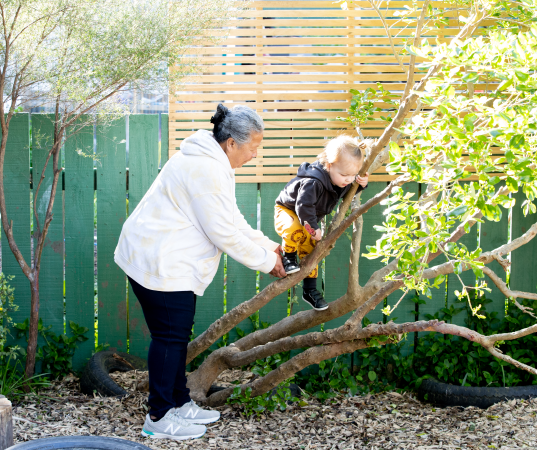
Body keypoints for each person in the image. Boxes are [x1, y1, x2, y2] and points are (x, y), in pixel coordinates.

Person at [114, 104, 286, 440]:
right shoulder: (205, 169)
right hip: (160, 262)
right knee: (169, 338)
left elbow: (232, 219)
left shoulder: (212, 163)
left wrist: (269, 247)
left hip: (170, 261)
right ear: (231, 143)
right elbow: (223, 232)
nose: (256, 153)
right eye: (253, 146)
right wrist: (269, 262)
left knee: (176, 337)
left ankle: (178, 402)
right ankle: (160, 417)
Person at [274, 135, 368, 311]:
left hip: (308, 219)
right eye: (344, 175)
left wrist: (361, 184)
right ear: (330, 165)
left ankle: (309, 290)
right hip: (287, 210)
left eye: (353, 175)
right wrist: (313, 226)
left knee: (312, 250)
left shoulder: (340, 179)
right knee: (294, 229)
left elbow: (349, 189)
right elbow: (304, 205)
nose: (348, 180)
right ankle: (289, 256)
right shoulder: (313, 182)